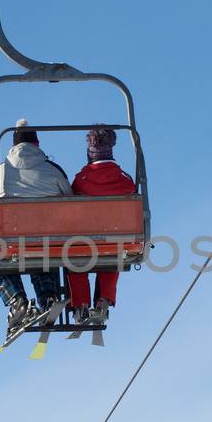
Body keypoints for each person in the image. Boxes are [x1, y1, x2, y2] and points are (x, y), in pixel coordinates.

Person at [0, 119, 72, 333]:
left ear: (13, 146)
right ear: (37, 144)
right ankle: (48, 297)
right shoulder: (53, 170)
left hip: (12, 239)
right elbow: (70, 201)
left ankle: (17, 301)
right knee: (44, 254)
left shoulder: (0, 172)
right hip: (46, 240)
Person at [66, 125, 137, 324]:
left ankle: (80, 304)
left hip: (85, 241)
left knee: (76, 261)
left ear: (90, 153)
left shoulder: (81, 181)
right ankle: (103, 300)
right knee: (112, 256)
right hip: (115, 240)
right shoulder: (125, 180)